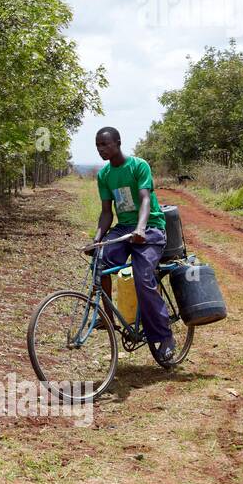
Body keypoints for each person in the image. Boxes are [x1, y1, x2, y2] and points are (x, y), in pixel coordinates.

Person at [87, 126, 177, 363]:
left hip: (150, 228)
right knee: (100, 262)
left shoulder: (139, 166)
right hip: (124, 229)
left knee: (142, 276)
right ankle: (107, 319)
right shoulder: (104, 175)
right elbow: (107, 212)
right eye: (97, 145)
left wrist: (141, 228)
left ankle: (165, 335)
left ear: (118, 142)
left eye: (105, 144)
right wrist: (97, 239)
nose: (101, 149)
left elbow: (145, 198)